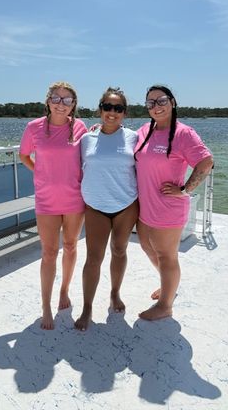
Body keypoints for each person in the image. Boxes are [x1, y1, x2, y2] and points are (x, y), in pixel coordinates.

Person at [135, 84, 213, 321]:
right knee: (148, 248)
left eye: (161, 101)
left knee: (167, 256)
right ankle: (169, 287)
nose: (156, 106)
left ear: (172, 102)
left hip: (168, 208)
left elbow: (206, 162)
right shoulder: (144, 130)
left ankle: (166, 304)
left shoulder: (183, 133)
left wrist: (185, 189)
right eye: (150, 103)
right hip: (145, 206)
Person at [19, 81, 87, 330]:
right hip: (46, 199)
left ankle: (64, 291)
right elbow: (24, 155)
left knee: (70, 246)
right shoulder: (34, 127)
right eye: (56, 99)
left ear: (73, 105)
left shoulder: (80, 127)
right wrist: (41, 173)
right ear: (48, 101)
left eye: (67, 100)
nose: (61, 104)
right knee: (48, 253)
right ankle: (46, 305)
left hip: (74, 199)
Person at [74, 87, 139, 331]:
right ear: (100, 109)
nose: (112, 112)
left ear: (124, 113)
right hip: (95, 205)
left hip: (126, 204)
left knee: (120, 250)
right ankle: (87, 307)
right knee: (93, 258)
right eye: (108, 107)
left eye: (118, 108)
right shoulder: (86, 139)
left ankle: (114, 293)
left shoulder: (134, 137)